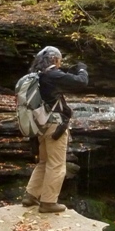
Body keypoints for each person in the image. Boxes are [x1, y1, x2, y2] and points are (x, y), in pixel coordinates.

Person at [21, 46, 88, 213]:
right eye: (59, 60)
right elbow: (81, 82)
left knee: (44, 161)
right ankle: (48, 202)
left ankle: (30, 195)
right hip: (54, 125)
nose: (60, 63)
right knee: (56, 164)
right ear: (54, 59)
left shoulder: (36, 76)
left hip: (39, 125)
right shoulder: (53, 75)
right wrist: (82, 69)